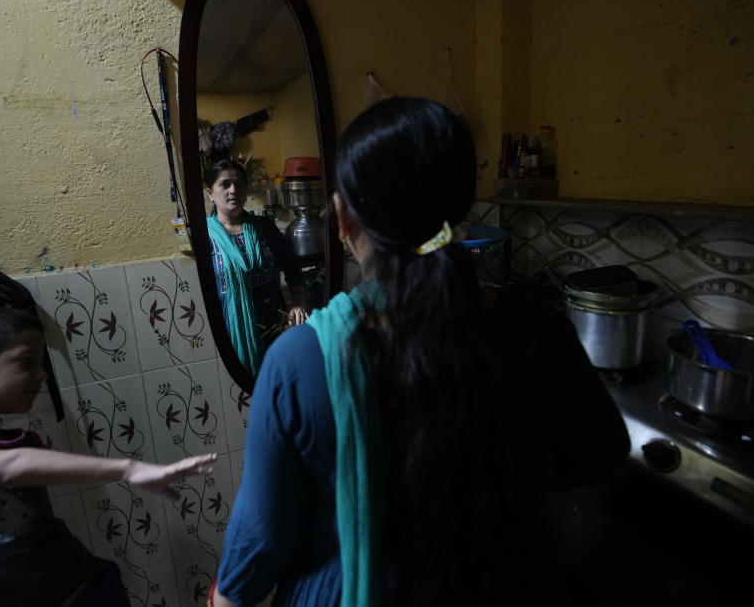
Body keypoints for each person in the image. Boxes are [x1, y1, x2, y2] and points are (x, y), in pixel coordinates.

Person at [211, 98, 631, 606]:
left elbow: (251, 562)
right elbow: (598, 458)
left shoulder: (299, 363)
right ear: (459, 208)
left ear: (343, 221)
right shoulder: (540, 328)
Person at [0, 307, 217, 607]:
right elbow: (8, 469)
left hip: (83, 592)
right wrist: (130, 468)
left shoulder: (22, 442)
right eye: (26, 362)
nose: (41, 374)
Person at [205, 159, 308, 375]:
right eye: (225, 184)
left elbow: (291, 265)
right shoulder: (204, 238)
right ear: (210, 193)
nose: (234, 190)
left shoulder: (264, 227)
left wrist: (297, 301)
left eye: (240, 184)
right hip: (233, 335)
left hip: (276, 332)